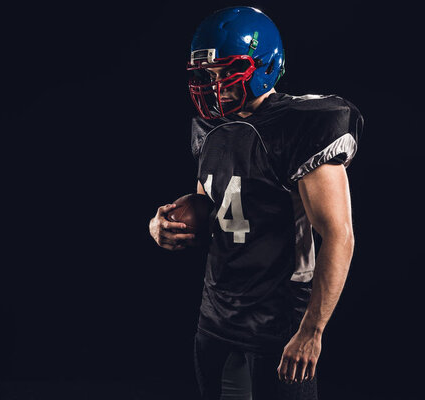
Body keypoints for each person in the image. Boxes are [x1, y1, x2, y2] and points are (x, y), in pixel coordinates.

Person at [148, 7, 363, 400]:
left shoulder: (303, 125)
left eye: (227, 72)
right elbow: (210, 204)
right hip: (215, 318)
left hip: (277, 326)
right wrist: (161, 225)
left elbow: (339, 236)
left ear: (265, 65)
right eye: (208, 76)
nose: (215, 86)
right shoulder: (207, 127)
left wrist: (312, 330)